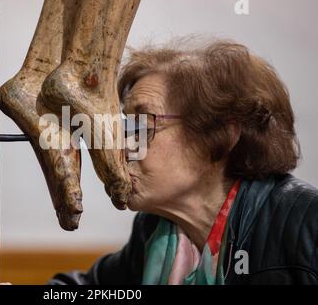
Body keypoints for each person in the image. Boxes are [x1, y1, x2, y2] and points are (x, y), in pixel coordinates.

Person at [49, 38, 318, 285]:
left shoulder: (306, 222)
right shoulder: (155, 230)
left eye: (143, 125)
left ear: (221, 135)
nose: (122, 146)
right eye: (126, 125)